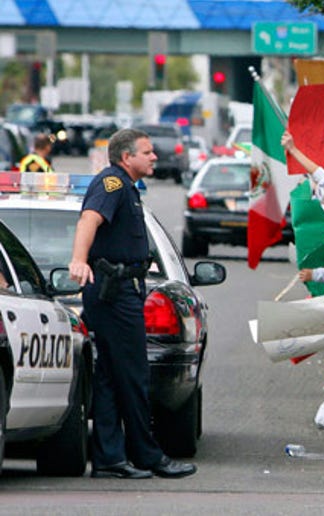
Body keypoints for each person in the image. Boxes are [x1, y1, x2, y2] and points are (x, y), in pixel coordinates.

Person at [68, 128, 195, 479]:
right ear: (127, 157)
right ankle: (148, 456)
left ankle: (110, 458)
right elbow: (88, 220)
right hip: (114, 291)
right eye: (148, 152)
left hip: (120, 289)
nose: (155, 156)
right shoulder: (111, 184)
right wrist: (78, 260)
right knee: (134, 375)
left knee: (109, 376)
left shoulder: (127, 187)